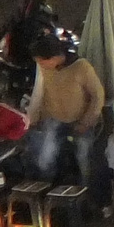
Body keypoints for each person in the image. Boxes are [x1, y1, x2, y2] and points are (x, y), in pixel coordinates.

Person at [24, 35, 105, 186]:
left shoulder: (82, 67)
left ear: (53, 58)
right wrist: (33, 117)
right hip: (53, 119)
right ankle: (47, 189)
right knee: (44, 159)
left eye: (42, 61)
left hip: (81, 121)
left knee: (84, 160)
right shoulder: (44, 68)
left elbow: (97, 96)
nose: (39, 64)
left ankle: (84, 192)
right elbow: (39, 91)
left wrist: (85, 123)